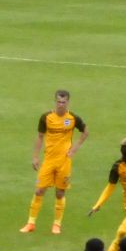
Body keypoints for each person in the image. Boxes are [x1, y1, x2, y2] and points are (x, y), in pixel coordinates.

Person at [20, 90, 88, 235]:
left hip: (64, 162)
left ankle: (56, 225)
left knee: (59, 193)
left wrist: (74, 149)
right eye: (59, 102)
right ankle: (31, 223)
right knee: (39, 190)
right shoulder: (46, 117)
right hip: (49, 160)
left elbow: (85, 132)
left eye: (64, 102)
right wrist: (35, 157)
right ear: (55, 101)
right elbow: (39, 136)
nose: (61, 105)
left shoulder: (73, 118)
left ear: (68, 102)